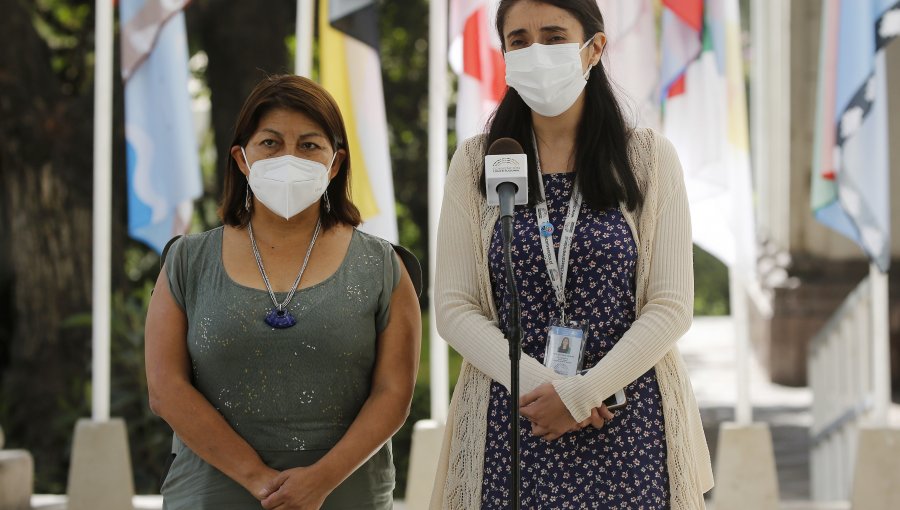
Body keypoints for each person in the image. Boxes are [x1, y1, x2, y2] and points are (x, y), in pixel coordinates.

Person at [431, 1, 713, 508]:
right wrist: (547, 391)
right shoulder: (479, 162)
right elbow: (454, 308)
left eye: (554, 36)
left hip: (627, 424)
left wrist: (582, 395)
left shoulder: (646, 158)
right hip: (516, 421)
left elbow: (671, 306)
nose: (535, 51)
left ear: (594, 48)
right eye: (519, 40)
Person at [144, 74, 421, 510]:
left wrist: (318, 483)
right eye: (270, 143)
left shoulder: (384, 266)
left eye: (309, 145)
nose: (289, 157)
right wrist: (259, 481)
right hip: (209, 494)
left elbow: (394, 394)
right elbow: (165, 387)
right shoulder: (187, 261)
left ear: (334, 164)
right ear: (241, 158)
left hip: (346, 494)